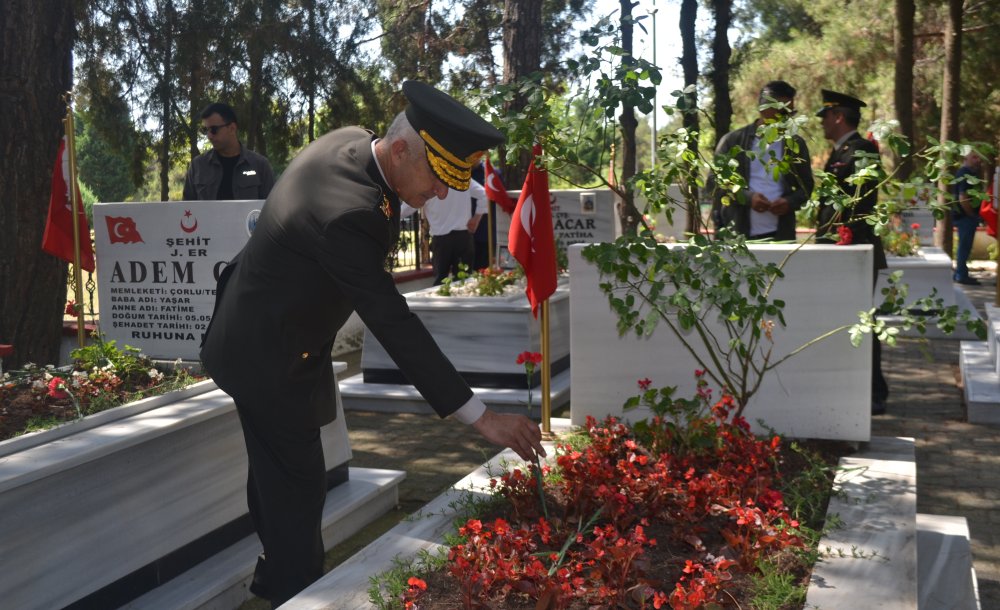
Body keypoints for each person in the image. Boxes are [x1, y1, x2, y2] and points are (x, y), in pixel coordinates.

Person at [198, 81, 545, 608]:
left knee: (279, 477)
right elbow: (392, 321)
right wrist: (482, 417)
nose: (444, 194)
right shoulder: (351, 213)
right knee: (297, 494)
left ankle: (273, 574)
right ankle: (294, 591)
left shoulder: (356, 144)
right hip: (267, 358)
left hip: (269, 333)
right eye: (439, 178)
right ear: (402, 149)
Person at [814, 88, 889, 414]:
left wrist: (837, 241)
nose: (822, 122)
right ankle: (864, 387)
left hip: (854, 250)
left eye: (826, 116)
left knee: (862, 321)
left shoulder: (859, 150)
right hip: (844, 251)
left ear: (839, 117)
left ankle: (873, 392)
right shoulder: (844, 150)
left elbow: (856, 204)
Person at [708, 80, 814, 240]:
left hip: (781, 235)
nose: (786, 118)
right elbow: (715, 182)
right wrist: (748, 198)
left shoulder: (795, 144)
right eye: (781, 111)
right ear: (763, 109)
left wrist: (789, 202)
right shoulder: (733, 141)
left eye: (790, 112)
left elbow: (806, 187)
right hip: (737, 235)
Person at [182, 102, 275, 201]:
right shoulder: (198, 166)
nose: (209, 136)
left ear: (232, 128)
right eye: (205, 130)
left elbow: (271, 209)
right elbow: (186, 209)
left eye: (214, 129)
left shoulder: (260, 165)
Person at [401, 177, 488, 284]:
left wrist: (390, 217)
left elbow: (408, 207)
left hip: (443, 240)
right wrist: (476, 218)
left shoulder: (427, 182)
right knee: (463, 280)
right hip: (463, 238)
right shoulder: (460, 177)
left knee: (441, 281)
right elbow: (484, 194)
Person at [951, 151, 984, 285]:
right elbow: (963, 197)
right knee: (964, 246)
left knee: (964, 246)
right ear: (965, 158)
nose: (978, 160)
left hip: (965, 216)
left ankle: (960, 273)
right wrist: (971, 214)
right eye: (974, 157)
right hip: (965, 216)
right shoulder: (965, 173)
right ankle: (961, 275)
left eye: (979, 157)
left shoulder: (966, 173)